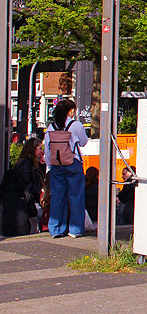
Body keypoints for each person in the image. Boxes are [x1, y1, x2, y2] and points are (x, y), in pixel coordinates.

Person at [44, 99, 88, 238]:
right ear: (71, 111)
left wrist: (50, 165)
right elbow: (84, 142)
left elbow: (47, 150)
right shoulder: (76, 125)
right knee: (76, 196)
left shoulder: (51, 127)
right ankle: (75, 229)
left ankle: (56, 229)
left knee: (57, 197)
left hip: (56, 164)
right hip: (73, 162)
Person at [0, 137, 44, 237]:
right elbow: (27, 181)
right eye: (40, 148)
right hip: (28, 198)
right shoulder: (27, 163)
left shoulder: (26, 162)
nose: (41, 151)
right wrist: (37, 193)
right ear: (33, 149)